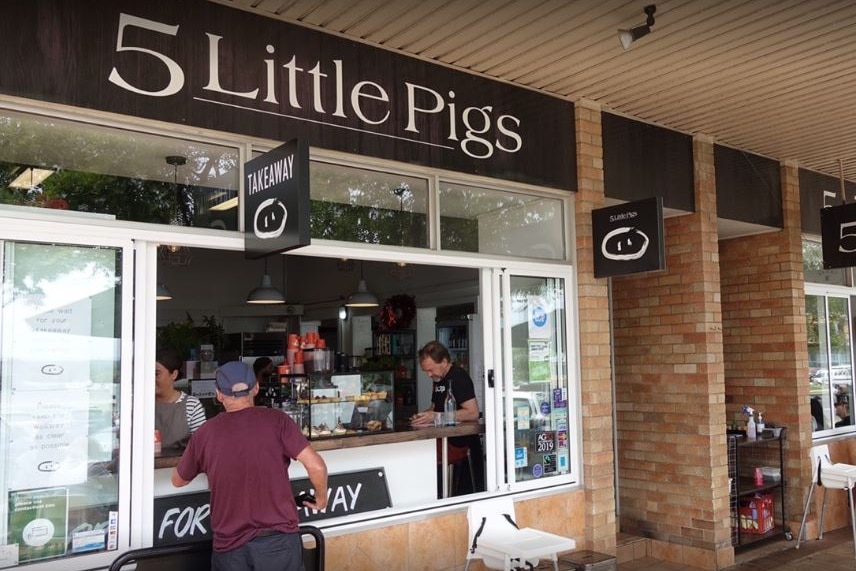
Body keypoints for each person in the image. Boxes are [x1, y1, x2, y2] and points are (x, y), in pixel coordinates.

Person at [172, 361, 328, 571]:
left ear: (218, 394)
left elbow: (178, 481)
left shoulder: (205, 434)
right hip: (279, 543)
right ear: (255, 388)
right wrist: (321, 498)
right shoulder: (277, 421)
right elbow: (316, 466)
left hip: (230, 549)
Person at [411, 340, 483, 496]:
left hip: (459, 444)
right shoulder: (438, 380)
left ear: (443, 361)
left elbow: (472, 413)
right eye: (426, 371)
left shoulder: (458, 377)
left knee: (419, 456)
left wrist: (436, 416)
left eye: (430, 370)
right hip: (443, 440)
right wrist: (423, 416)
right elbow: (434, 408)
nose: (429, 375)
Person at [156, 348, 207, 449]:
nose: (150, 378)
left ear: (174, 374)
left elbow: (202, 445)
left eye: (156, 374)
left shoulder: (191, 405)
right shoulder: (138, 403)